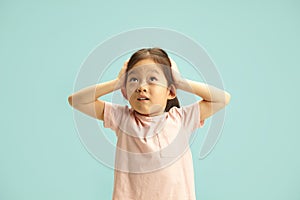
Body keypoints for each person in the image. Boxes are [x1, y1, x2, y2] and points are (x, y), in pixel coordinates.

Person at [68, 48, 231, 200]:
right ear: (125, 92)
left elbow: (222, 98)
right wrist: (117, 83)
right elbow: (76, 101)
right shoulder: (122, 118)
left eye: (152, 79)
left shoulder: (182, 119)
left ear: (171, 91)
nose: (141, 87)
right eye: (134, 79)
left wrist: (180, 82)